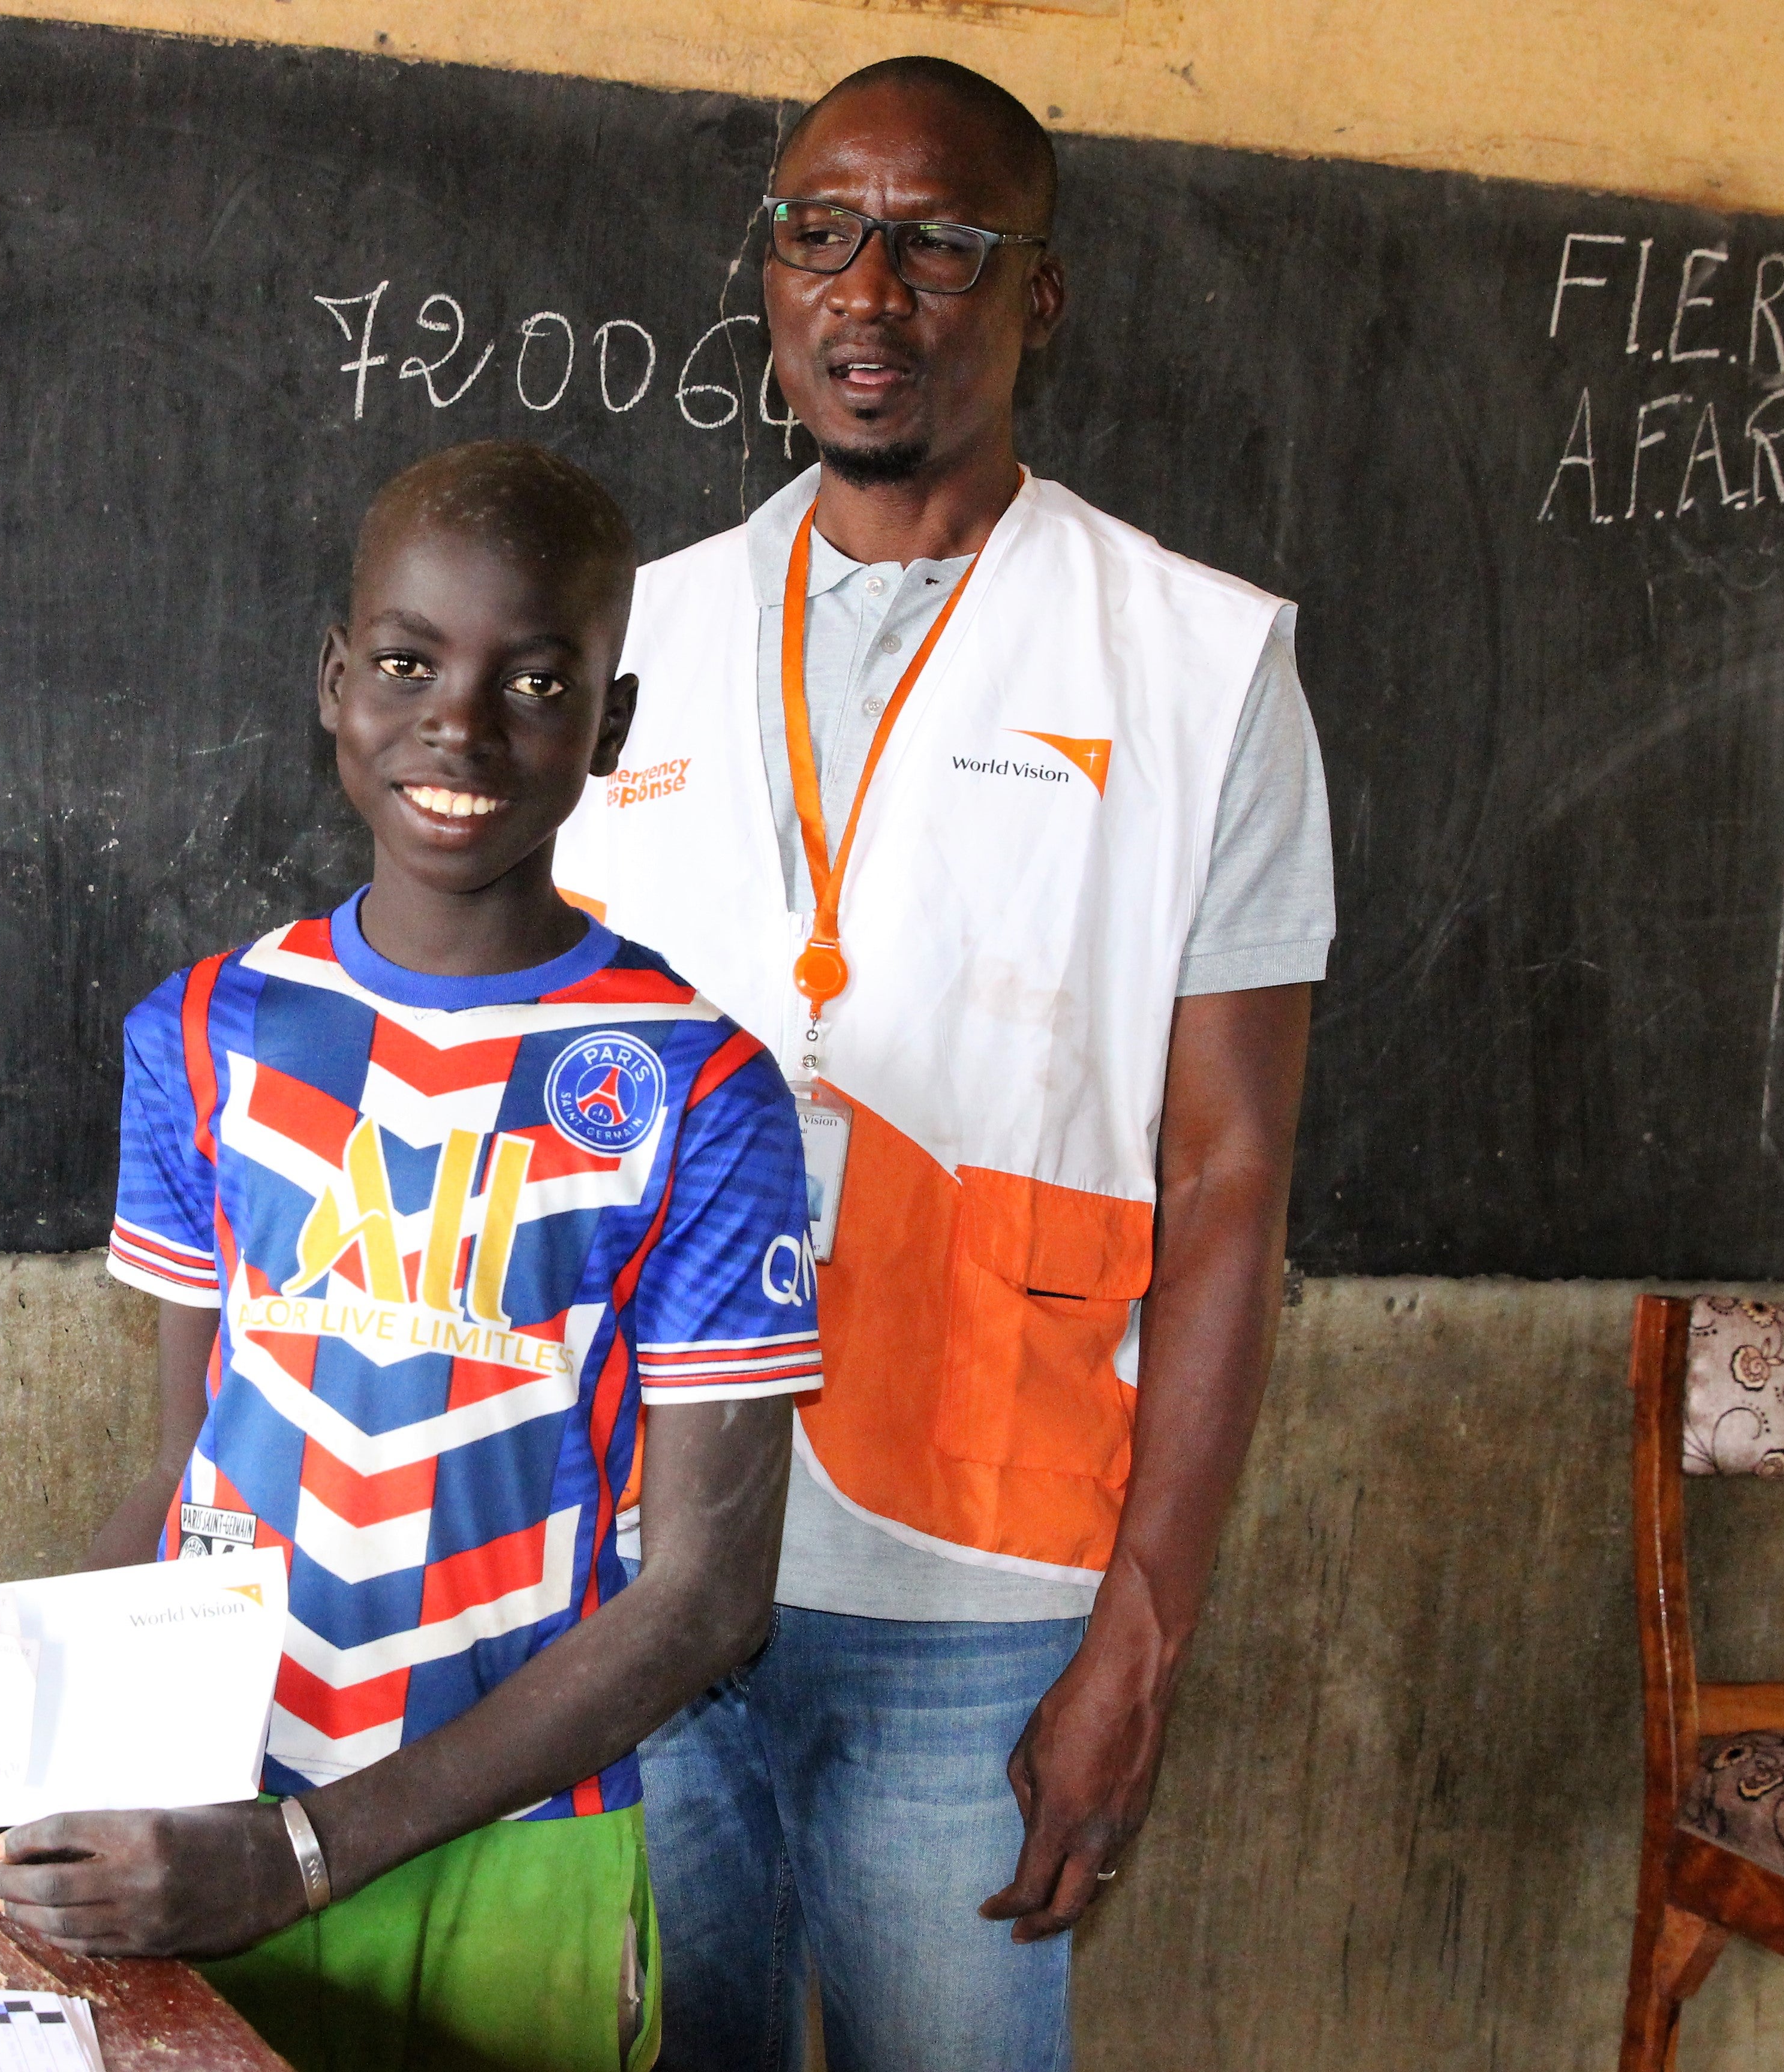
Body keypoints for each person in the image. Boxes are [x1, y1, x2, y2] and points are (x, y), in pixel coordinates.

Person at [552, 58, 1333, 2072]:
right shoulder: (627, 636)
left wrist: (1138, 1641)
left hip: (981, 1594)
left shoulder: (1200, 665)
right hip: (633, 1562)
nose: (867, 292)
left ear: (1039, 296)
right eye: (820, 232)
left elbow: (1231, 1176)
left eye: (938, 244)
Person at [0, 441, 824, 2072]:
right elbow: (188, 1474)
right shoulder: (208, 1032)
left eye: (537, 683)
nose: (462, 726)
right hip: (209, 1825)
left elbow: (708, 1601)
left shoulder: (695, 1088)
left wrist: (310, 1853)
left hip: (513, 1854)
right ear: (334, 680)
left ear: (612, 729)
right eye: (408, 664)